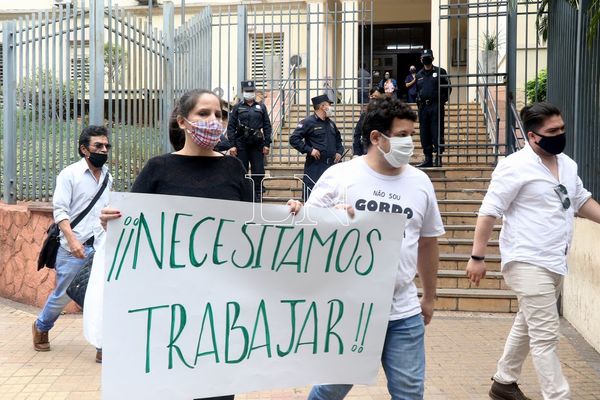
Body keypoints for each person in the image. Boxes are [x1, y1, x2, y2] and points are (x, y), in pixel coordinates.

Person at [101, 89, 302, 400]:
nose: (214, 121)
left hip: (220, 316)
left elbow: (251, 228)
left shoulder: (234, 168)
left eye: (219, 115)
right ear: (183, 122)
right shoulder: (158, 168)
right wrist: (110, 220)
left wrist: (288, 214)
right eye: (204, 114)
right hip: (168, 309)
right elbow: (130, 226)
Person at [306, 96, 444, 400]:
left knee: (409, 394)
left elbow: (427, 242)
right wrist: (332, 220)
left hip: (403, 312)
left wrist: (430, 296)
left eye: (411, 134)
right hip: (350, 310)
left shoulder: (420, 183)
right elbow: (305, 232)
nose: (410, 142)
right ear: (376, 138)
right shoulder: (340, 177)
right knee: (329, 390)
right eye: (401, 136)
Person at [466, 102, 600, 400]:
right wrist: (477, 257)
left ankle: (504, 381)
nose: (560, 134)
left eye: (562, 128)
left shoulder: (567, 164)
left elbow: (580, 200)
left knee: (528, 322)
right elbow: (489, 212)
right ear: (532, 136)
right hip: (526, 259)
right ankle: (558, 395)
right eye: (552, 131)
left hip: (556, 259)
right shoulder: (514, 166)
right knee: (546, 335)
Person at [32, 126, 113, 364]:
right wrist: (73, 240)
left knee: (101, 296)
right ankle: (41, 325)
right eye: (98, 146)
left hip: (99, 245)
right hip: (72, 247)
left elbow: (105, 209)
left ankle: (102, 345)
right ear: (84, 149)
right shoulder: (69, 175)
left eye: (106, 146)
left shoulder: (108, 176)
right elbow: (61, 212)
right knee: (62, 296)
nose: (104, 150)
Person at [289, 94, 344, 201]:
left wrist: (339, 152)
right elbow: (294, 139)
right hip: (315, 166)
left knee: (329, 198)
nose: (331, 107)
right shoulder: (308, 122)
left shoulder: (331, 124)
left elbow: (338, 141)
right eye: (329, 104)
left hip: (331, 167)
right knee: (311, 197)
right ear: (322, 106)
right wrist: (310, 150)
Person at [227, 80, 273, 201]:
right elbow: (231, 126)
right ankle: (243, 194)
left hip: (257, 144)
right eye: (247, 91)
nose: (249, 93)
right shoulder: (237, 107)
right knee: (242, 169)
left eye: (251, 91)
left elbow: (267, 126)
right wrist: (232, 145)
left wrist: (267, 144)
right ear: (243, 92)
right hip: (241, 143)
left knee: (258, 170)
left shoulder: (261, 107)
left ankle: (257, 195)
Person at [415, 49, 451, 168]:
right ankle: (428, 158)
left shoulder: (440, 71)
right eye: (424, 57)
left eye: (428, 57)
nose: (426, 59)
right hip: (423, 108)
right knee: (424, 133)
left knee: (437, 132)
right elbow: (417, 91)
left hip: (436, 106)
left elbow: (448, 88)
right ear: (421, 59)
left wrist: (441, 101)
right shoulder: (419, 75)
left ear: (433, 58)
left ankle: (438, 158)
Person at [353, 87, 384, 157]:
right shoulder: (364, 115)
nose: (373, 99)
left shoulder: (386, 115)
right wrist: (356, 153)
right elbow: (357, 134)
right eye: (372, 97)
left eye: (376, 97)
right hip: (365, 152)